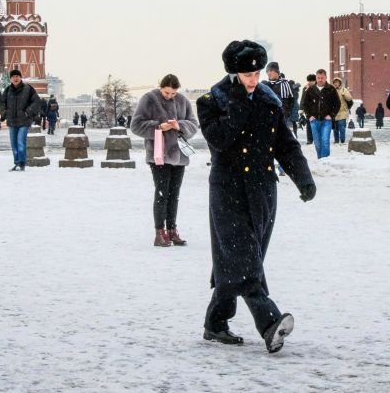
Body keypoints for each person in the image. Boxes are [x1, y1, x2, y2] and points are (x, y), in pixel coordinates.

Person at [196, 40, 315, 354]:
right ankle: (269, 322)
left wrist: (303, 178)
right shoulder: (213, 100)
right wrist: (237, 105)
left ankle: (215, 323)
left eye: (257, 73)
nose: (253, 79)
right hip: (228, 189)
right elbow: (219, 140)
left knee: (241, 257)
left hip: (262, 190)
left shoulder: (269, 99)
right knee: (243, 257)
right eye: (247, 74)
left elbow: (285, 145)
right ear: (235, 72)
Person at [130, 74, 200, 247]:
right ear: (160, 87)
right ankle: (159, 232)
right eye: (166, 92)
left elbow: (193, 124)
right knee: (162, 193)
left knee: (174, 195)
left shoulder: (183, 101)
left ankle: (172, 230)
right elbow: (136, 125)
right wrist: (158, 126)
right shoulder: (149, 99)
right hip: (158, 154)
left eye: (173, 93)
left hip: (179, 156)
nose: (169, 96)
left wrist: (179, 126)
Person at [0, 69, 42, 171]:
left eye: (17, 76)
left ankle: (21, 163)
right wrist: (4, 113)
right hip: (12, 121)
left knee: (20, 142)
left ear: (20, 77)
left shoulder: (28, 89)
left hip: (24, 121)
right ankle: (17, 162)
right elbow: (2, 103)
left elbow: (37, 101)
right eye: (13, 77)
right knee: (14, 144)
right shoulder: (8, 90)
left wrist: (28, 112)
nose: (15, 78)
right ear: (11, 79)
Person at [300, 69, 340, 159]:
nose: (320, 80)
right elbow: (305, 104)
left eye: (322, 78)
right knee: (317, 142)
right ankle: (320, 159)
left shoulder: (331, 89)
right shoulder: (311, 90)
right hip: (314, 121)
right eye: (318, 78)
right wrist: (309, 116)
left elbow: (337, 104)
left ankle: (324, 160)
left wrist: (331, 115)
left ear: (326, 77)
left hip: (327, 120)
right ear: (316, 78)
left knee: (325, 140)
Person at [263, 62, 297, 134]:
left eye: (271, 70)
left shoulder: (286, 84)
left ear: (277, 72)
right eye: (267, 71)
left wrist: (287, 112)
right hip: (269, 117)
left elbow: (292, 99)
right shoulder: (266, 85)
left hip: (283, 117)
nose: (268, 73)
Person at [331, 77, 353, 144]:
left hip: (342, 112)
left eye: (337, 82)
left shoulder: (344, 90)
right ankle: (336, 140)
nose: (335, 84)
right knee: (335, 128)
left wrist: (345, 95)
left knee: (342, 128)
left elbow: (349, 99)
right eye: (334, 82)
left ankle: (342, 140)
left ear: (339, 83)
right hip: (334, 113)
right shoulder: (331, 90)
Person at [300, 74, 316, 144]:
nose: (310, 82)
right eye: (309, 81)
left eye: (311, 81)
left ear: (315, 81)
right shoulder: (305, 88)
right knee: (309, 125)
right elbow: (302, 99)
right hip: (308, 110)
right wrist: (301, 109)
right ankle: (309, 140)